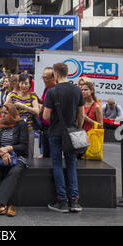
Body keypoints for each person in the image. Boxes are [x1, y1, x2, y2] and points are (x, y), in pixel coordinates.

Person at [43, 62, 85, 213]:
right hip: (72, 134)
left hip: (55, 133)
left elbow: (46, 116)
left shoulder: (52, 92)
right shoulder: (77, 90)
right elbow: (81, 115)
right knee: (71, 164)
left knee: (57, 164)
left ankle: (62, 201)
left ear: (56, 74)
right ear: (67, 72)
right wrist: (77, 128)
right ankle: (74, 201)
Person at [0, 103, 29, 217]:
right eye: (1, 112)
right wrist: (2, 152)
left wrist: (9, 149)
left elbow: (23, 146)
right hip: (0, 155)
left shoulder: (21, 124)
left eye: (5, 113)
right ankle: (2, 205)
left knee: (15, 171)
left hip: (18, 156)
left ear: (12, 113)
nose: (2, 115)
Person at [6, 73, 39, 159]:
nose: (23, 85)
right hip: (15, 128)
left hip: (29, 129)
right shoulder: (13, 95)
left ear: (30, 85)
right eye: (21, 83)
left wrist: (23, 106)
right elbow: (4, 109)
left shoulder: (33, 96)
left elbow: (36, 111)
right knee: (14, 152)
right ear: (18, 83)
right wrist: (13, 107)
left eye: (26, 83)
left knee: (29, 153)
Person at [38, 67, 56, 158]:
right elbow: (43, 101)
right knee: (46, 153)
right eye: (43, 78)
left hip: (54, 127)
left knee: (54, 154)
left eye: (46, 78)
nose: (44, 80)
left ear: (54, 78)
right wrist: (36, 98)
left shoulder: (57, 90)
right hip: (45, 127)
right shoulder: (46, 89)